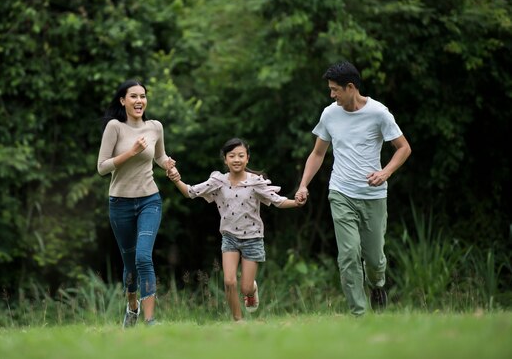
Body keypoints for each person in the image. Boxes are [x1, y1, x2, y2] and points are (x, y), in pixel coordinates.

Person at [295, 61, 411, 317]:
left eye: (335, 89)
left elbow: (403, 148)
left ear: (351, 87)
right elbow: (317, 153)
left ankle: (377, 285)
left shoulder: (379, 113)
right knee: (348, 255)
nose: (331, 94)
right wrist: (303, 185)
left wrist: (385, 172)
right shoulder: (329, 114)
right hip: (340, 192)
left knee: (374, 259)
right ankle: (360, 315)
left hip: (373, 196)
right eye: (330, 89)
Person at [167, 137, 305, 322]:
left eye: (241, 155)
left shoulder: (255, 182)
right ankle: (238, 321)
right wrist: (177, 180)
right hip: (229, 237)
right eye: (232, 156)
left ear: (247, 158)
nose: (237, 159)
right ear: (225, 160)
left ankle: (251, 290)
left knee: (245, 288)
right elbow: (190, 192)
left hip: (253, 238)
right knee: (229, 281)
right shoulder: (218, 181)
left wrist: (296, 202)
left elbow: (277, 201)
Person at [97, 78, 175, 328]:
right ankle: (133, 308)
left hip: (149, 200)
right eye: (133, 96)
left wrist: (168, 165)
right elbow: (101, 167)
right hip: (120, 203)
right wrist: (130, 152)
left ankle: (151, 321)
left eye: (143, 96)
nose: (139, 100)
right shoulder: (114, 127)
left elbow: (160, 156)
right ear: (123, 100)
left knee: (144, 257)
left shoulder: (155, 127)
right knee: (130, 266)